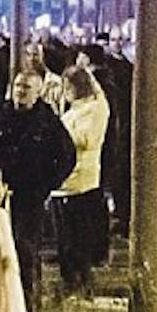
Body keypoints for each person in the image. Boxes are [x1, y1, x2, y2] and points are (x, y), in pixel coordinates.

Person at [0, 69, 77, 312]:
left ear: (39, 91)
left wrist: (46, 184)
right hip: (1, 195)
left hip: (30, 196)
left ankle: (28, 310)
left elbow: (66, 157)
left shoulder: (47, 122)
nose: (21, 92)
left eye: (27, 88)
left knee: (26, 250)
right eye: (18, 86)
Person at [53, 64, 111, 294]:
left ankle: (79, 284)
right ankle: (72, 283)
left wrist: (58, 134)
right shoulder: (75, 109)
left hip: (81, 182)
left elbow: (86, 138)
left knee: (76, 240)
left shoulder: (94, 109)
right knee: (66, 240)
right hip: (65, 182)